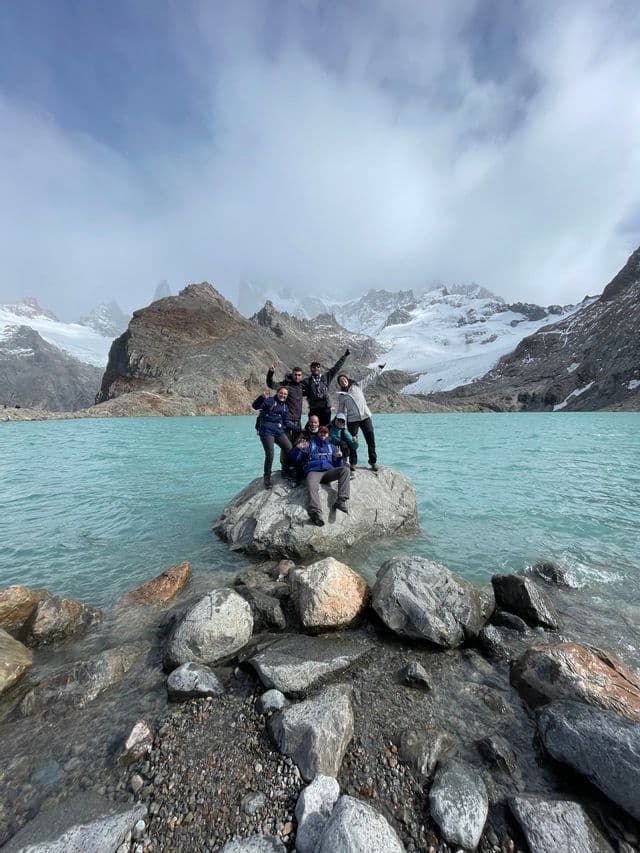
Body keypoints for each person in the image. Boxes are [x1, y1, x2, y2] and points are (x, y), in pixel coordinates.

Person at [289, 424, 350, 526]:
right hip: (314, 471)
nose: (323, 434)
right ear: (318, 433)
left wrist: (339, 458)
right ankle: (316, 512)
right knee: (312, 485)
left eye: (325, 432)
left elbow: (337, 465)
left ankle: (341, 500)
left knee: (345, 470)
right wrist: (298, 448)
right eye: (321, 432)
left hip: (328, 472)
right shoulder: (310, 445)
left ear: (328, 434)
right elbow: (294, 458)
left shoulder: (332, 447)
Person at [252, 387, 295, 489]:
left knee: (290, 449)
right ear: (278, 393)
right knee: (270, 454)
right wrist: (261, 398)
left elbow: (286, 422)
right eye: (281, 393)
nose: (283, 395)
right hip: (266, 431)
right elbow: (255, 406)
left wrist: (298, 428)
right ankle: (267, 477)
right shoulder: (270, 401)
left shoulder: (285, 407)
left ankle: (286, 470)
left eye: (285, 394)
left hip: (278, 431)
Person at [266, 363, 306, 474]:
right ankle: (285, 468)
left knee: (297, 444)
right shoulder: (286, 385)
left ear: (301, 376)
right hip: (287, 421)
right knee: (286, 446)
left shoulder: (302, 386)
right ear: (292, 374)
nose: (297, 377)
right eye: (295, 374)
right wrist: (271, 373)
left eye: (299, 375)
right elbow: (270, 384)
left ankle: (294, 467)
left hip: (298, 421)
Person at [336, 373, 379, 471]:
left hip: (365, 417)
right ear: (340, 384)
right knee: (353, 442)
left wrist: (379, 368)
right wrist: (339, 419)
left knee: (370, 440)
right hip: (352, 420)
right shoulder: (342, 396)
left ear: (347, 379)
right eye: (341, 381)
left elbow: (369, 377)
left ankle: (373, 462)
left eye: (344, 379)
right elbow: (341, 409)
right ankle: (353, 462)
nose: (343, 381)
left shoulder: (357, 386)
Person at [303, 349, 350, 425]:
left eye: (318, 367)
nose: (316, 369)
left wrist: (344, 356)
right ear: (311, 369)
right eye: (313, 367)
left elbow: (336, 368)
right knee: (313, 428)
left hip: (325, 409)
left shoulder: (326, 377)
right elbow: (298, 389)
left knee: (325, 429)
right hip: (314, 409)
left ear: (320, 368)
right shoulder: (306, 381)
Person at [329, 413, 359, 479]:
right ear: (335, 419)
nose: (339, 422)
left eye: (342, 421)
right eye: (338, 419)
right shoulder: (329, 427)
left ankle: (346, 471)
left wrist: (355, 441)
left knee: (343, 444)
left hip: (340, 452)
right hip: (329, 451)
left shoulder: (344, 432)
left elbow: (354, 447)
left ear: (344, 423)